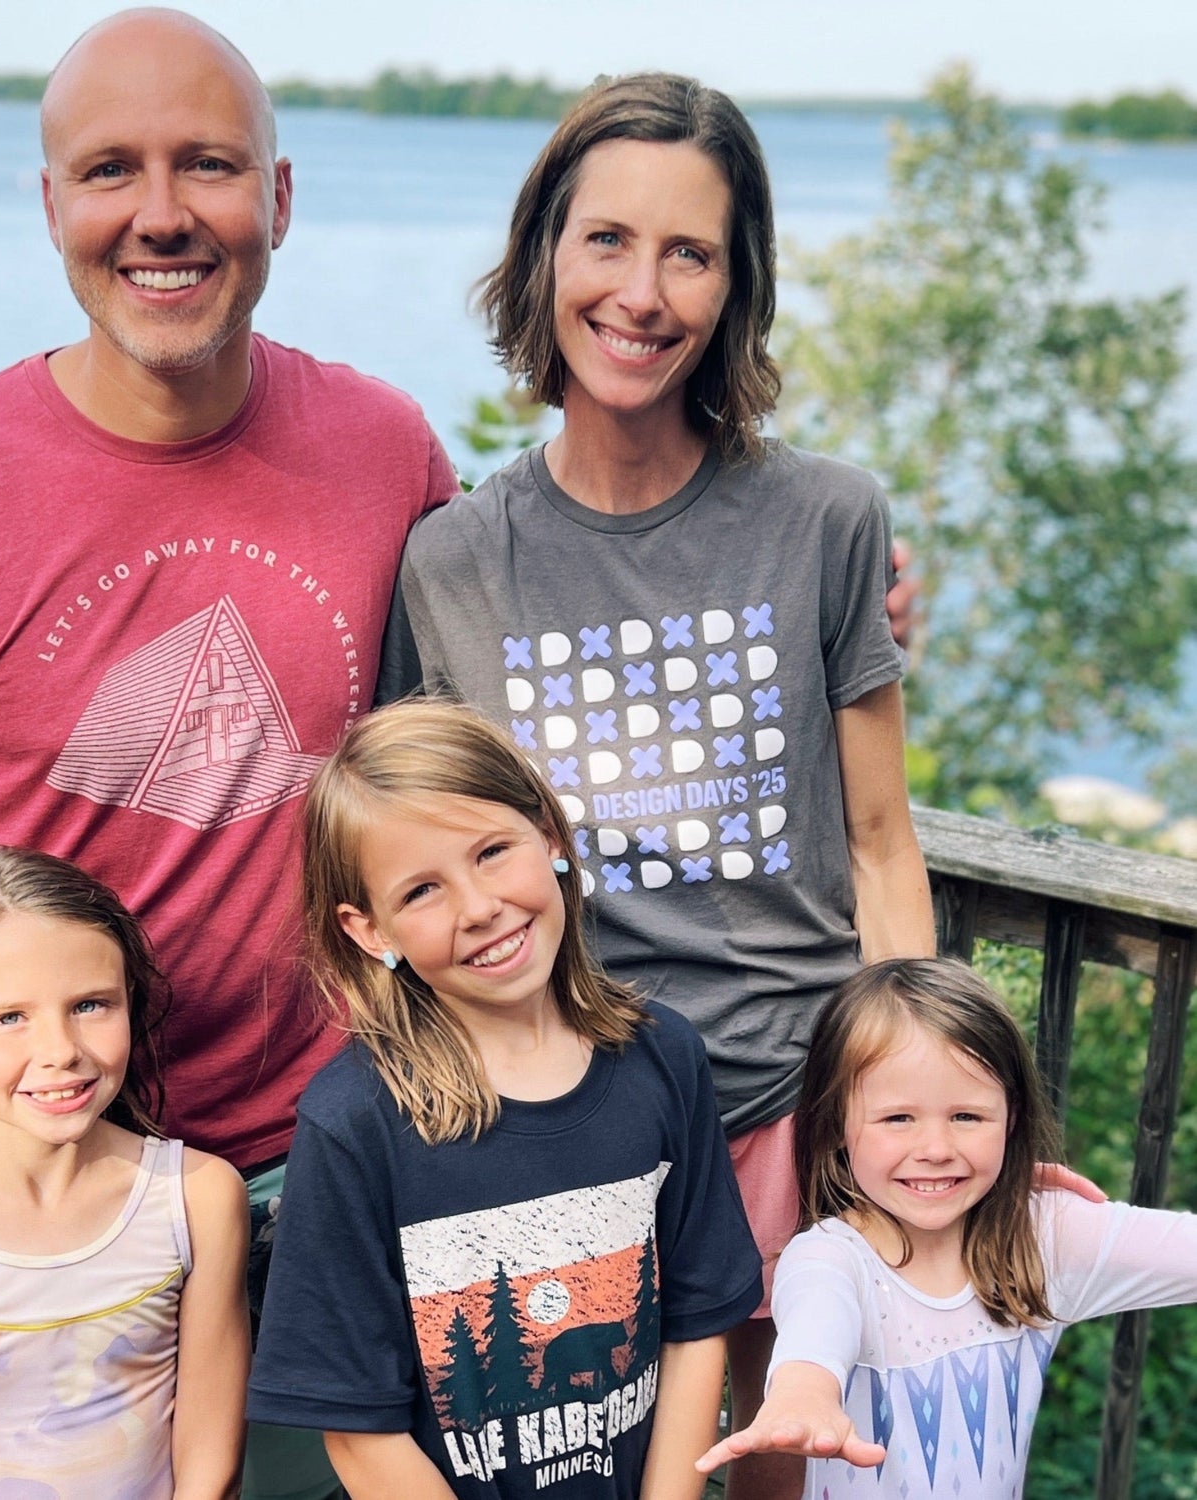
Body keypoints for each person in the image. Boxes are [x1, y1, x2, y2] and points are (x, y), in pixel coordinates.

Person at [0, 10, 458, 1497]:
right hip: (32, 1193)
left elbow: (470, 727)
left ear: (277, 197)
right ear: (51, 208)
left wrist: (814, 608)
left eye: (208, 165)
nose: (161, 214)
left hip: (329, 1164)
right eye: (110, 171)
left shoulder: (384, 446)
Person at [374, 71, 936, 1500]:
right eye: (607, 240)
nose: (643, 290)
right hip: (574, 1127)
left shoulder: (827, 519)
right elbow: (414, 859)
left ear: (736, 287)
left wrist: (916, 1091)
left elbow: (879, 838)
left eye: (691, 252)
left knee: (786, 1465)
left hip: (796, 1104)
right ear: (545, 253)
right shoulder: (452, 561)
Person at [247, 699, 762, 1499]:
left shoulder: (666, 1059)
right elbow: (357, 1433)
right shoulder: (353, 1123)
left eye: (492, 852)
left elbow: (699, 1329)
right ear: (368, 930)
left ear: (550, 836)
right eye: (421, 891)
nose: (479, 906)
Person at [696, 958, 1197, 1495]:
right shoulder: (829, 1259)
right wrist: (802, 1394)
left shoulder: (1043, 1237)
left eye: (966, 1117)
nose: (935, 1150)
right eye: (897, 1119)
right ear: (837, 1122)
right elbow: (815, 1338)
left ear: (1013, 1116)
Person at [0, 843, 249, 1499]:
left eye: (91, 1005)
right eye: (9, 1018)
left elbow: (211, 1467)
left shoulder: (198, 1199)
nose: (60, 1051)